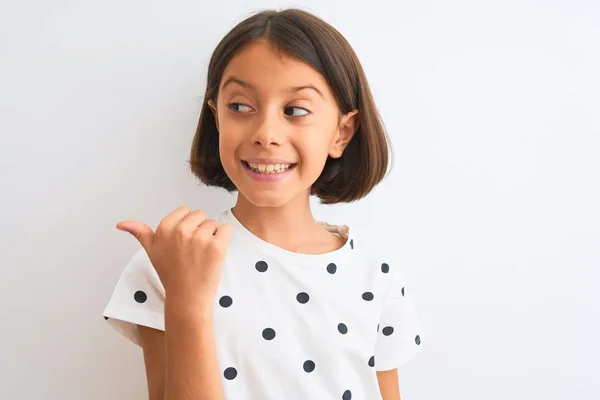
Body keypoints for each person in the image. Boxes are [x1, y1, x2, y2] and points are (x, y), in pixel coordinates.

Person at [103, 8, 425, 400]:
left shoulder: (375, 275)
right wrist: (187, 299)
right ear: (216, 117)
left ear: (341, 133)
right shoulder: (172, 259)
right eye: (240, 107)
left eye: (296, 110)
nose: (266, 134)